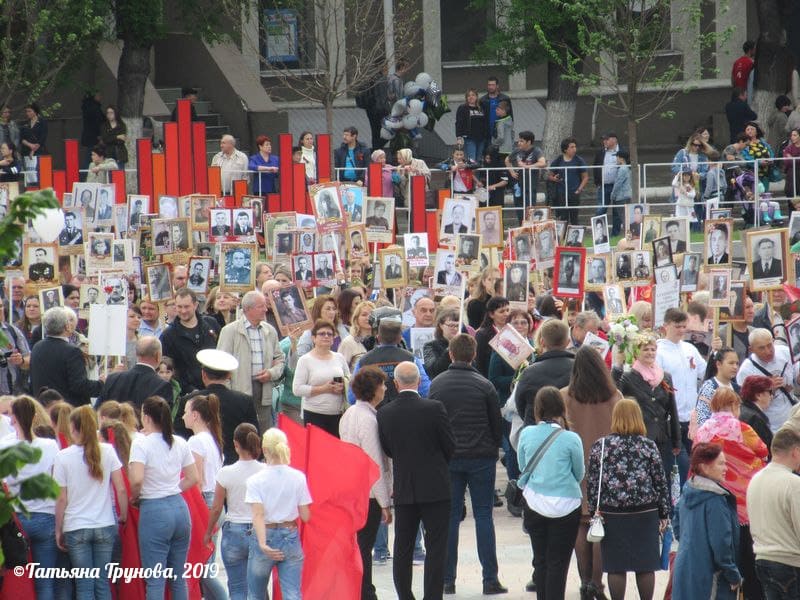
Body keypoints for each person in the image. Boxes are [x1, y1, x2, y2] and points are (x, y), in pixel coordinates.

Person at [429, 334, 507, 595]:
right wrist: (492, 446)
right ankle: (490, 579)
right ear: (473, 355)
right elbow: (497, 425)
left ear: (450, 354)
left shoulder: (437, 384)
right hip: (481, 456)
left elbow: (436, 422)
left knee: (450, 518)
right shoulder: (483, 385)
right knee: (483, 516)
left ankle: (447, 579)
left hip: (450, 457)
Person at [377, 361, 455, 600]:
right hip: (436, 486)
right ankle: (432, 596)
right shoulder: (434, 408)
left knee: (403, 546)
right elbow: (449, 445)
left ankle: (405, 596)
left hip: (405, 486)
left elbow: (387, 449)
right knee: (436, 546)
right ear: (419, 382)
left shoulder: (385, 412)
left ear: (396, 383)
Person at [586, 400, 670, 600]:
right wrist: (664, 512)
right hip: (645, 512)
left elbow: (593, 483)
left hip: (612, 512)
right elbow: (659, 480)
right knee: (645, 565)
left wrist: (592, 511)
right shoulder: (648, 445)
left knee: (616, 566)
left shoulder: (601, 446)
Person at [693, 387, 768, 600]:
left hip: (714, 496)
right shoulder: (743, 428)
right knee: (747, 558)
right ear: (735, 406)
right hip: (744, 502)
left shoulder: (702, 431)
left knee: (721, 554)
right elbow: (763, 450)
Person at [562, 345, 621, 598]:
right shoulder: (615, 396)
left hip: (576, 468)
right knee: (601, 524)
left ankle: (585, 580)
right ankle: (598, 583)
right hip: (607, 468)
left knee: (580, 524)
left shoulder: (565, 396)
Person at [53, 405, 128, 600]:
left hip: (76, 525)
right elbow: (120, 488)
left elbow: (61, 498)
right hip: (104, 523)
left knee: (84, 585)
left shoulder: (63, 457)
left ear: (73, 428)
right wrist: (123, 516)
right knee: (102, 582)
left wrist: (58, 528)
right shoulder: (108, 451)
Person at [128, 396, 199, 599]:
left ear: (147, 417)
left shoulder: (141, 444)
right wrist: (173, 487)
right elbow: (193, 477)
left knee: (155, 578)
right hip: (179, 507)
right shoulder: (180, 442)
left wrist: (136, 497)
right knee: (178, 576)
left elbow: (137, 480)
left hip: (154, 509)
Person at [517, 386, 584, 600]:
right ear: (561, 408)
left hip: (535, 501)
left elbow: (522, 465)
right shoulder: (571, 438)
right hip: (566, 504)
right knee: (559, 562)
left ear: (537, 408)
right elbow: (579, 473)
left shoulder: (526, 434)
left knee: (540, 559)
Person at [340, 367, 393, 600]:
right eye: (382, 384)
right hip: (367, 493)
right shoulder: (369, 419)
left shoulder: (349, 414)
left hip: (350, 488)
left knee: (358, 544)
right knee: (364, 546)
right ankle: (365, 592)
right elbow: (375, 463)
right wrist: (384, 501)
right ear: (374, 390)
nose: (385, 388)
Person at [4, 396, 61, 600]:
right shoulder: (50, 446)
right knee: (45, 583)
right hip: (45, 516)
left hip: (17, 518)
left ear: (13, 419)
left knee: (18, 581)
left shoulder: (4, 447)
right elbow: (58, 480)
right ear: (35, 416)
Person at [245, 428, 312, 600]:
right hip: (289, 534)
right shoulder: (298, 477)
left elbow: (258, 515)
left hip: (264, 535)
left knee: (255, 594)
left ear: (264, 450)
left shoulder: (255, 480)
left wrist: (262, 543)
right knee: (292, 593)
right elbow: (305, 516)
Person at [672, 443, 742, 599]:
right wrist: (733, 574)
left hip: (685, 568)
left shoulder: (688, 490)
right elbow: (721, 544)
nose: (726, 468)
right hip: (710, 576)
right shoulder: (715, 500)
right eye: (721, 463)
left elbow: (676, 525)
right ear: (704, 467)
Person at [203, 423, 265, 600]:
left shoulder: (225, 473)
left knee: (237, 588)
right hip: (258, 530)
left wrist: (208, 532)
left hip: (233, 531)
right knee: (258, 589)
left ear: (235, 445)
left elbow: (216, 508)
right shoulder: (265, 471)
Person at [614, 333, 681, 483]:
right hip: (639, 435)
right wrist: (617, 366)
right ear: (637, 352)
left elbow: (672, 408)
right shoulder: (628, 377)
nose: (650, 353)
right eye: (645, 349)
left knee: (660, 478)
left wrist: (676, 440)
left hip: (661, 438)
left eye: (653, 349)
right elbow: (614, 394)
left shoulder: (665, 377)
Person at [181, 393, 229, 600]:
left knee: (202, 568)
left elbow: (197, 481)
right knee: (206, 564)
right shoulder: (212, 439)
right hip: (216, 503)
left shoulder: (196, 441)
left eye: (185, 412)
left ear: (196, 415)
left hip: (205, 504)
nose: (182, 416)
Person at [217, 291, 285, 429]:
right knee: (240, 431)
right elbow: (221, 364)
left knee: (263, 431)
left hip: (263, 390)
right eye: (261, 306)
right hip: (238, 392)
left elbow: (279, 358)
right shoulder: (229, 331)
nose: (266, 309)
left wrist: (271, 373)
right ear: (248, 309)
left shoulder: (270, 331)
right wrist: (229, 391)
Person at [746, 427, 800, 599]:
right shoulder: (793, 483)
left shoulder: (755, 480)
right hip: (789, 561)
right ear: (796, 452)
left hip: (762, 558)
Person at [656, 308, 707, 484]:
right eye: (677, 326)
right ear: (666, 326)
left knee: (695, 465)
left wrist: (715, 354)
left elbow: (704, 372)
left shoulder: (690, 349)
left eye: (684, 326)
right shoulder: (658, 351)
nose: (681, 330)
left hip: (692, 418)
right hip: (672, 419)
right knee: (682, 467)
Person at [30, 307, 103, 406]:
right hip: (66, 411)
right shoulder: (72, 351)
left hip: (43, 407)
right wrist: (101, 383)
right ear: (67, 326)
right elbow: (79, 386)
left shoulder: (37, 347)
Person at [292, 319, 350, 436]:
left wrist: (343, 386)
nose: (326, 336)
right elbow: (297, 389)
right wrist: (324, 388)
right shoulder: (305, 360)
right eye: (322, 334)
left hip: (338, 413)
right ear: (313, 338)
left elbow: (349, 379)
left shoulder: (339, 357)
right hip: (314, 413)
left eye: (330, 334)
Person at [515, 319, 575, 425]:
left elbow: (520, 404)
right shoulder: (578, 368)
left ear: (542, 342)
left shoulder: (529, 372)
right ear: (567, 342)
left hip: (535, 430)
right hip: (570, 428)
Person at [159, 288, 220, 393]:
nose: (183, 311)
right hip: (187, 393)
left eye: (187, 306)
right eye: (179, 307)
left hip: (214, 388)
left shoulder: (211, 324)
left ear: (195, 305)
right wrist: (188, 389)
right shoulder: (168, 335)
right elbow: (168, 367)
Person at [736, 328, 796, 433]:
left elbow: (796, 379)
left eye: (770, 345)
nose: (768, 351)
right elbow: (746, 405)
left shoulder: (785, 352)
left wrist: (793, 383)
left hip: (793, 416)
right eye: (762, 348)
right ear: (751, 350)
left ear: (773, 341)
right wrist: (768, 389)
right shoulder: (746, 371)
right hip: (770, 425)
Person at [96, 336, 174, 410]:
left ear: (136, 354)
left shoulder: (112, 379)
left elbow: (98, 411)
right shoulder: (162, 386)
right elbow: (162, 420)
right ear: (158, 355)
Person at [593, 132, 624, 236]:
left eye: (607, 139)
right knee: (600, 210)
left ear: (614, 140)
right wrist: (597, 182)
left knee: (617, 211)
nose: (604, 141)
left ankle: (615, 234)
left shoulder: (622, 151)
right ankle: (599, 235)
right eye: (603, 139)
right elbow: (595, 167)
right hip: (603, 185)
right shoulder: (601, 152)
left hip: (618, 186)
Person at [738, 375, 774, 450]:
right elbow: (765, 447)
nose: (772, 396)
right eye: (770, 392)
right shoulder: (755, 418)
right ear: (758, 395)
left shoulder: (740, 409)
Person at [456, 88, 487, 162]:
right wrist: (459, 137)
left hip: (481, 138)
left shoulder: (482, 108)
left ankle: (477, 174)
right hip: (469, 138)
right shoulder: (463, 108)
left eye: (473, 95)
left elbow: (485, 122)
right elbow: (459, 123)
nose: (471, 97)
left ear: (476, 97)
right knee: (471, 160)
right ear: (466, 98)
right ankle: (471, 174)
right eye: (469, 95)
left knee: (479, 160)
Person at [99, 105, 128, 169]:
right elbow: (105, 139)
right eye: (108, 113)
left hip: (120, 154)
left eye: (111, 112)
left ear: (116, 113)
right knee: (109, 176)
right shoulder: (104, 126)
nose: (109, 115)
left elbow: (121, 140)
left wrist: (111, 137)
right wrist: (117, 136)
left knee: (119, 175)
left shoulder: (122, 125)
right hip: (108, 154)